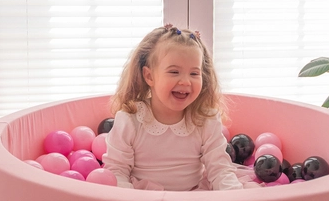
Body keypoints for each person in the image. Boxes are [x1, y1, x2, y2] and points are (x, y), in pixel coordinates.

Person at [102, 24, 256, 191]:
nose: (185, 81)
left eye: (194, 73)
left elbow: (220, 169)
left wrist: (234, 196)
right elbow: (117, 170)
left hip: (193, 196)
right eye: (174, 72)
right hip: (143, 198)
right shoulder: (130, 119)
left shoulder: (205, 119)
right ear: (149, 76)